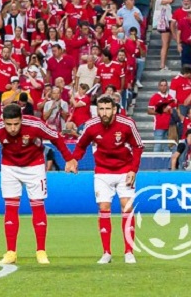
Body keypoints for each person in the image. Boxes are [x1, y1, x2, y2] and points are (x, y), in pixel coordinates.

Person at [0, 104, 74, 265]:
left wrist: (69, 159)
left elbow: (56, 137)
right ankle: (11, 252)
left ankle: (41, 251)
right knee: (11, 207)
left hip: (35, 166)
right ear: (3, 121)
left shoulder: (35, 125)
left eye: (16, 124)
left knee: (38, 206)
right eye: (9, 124)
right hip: (9, 167)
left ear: (22, 120)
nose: (13, 128)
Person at [67, 95, 144, 264]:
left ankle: (129, 252)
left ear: (114, 110)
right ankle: (106, 252)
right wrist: (74, 160)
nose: (104, 112)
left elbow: (138, 147)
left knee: (127, 206)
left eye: (108, 109)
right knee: (104, 207)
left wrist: (133, 170)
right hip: (102, 172)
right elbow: (80, 145)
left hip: (125, 171)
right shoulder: (91, 126)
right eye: (101, 109)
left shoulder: (127, 124)